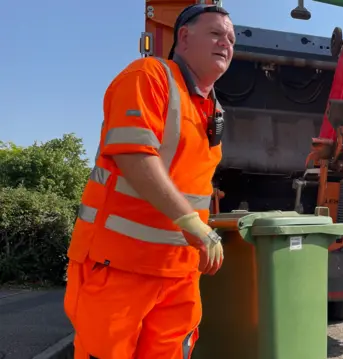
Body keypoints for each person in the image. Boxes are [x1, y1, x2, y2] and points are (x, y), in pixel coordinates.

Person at [63, 4, 235, 358]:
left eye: (231, 40)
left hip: (179, 272)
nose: (226, 44)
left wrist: (199, 235)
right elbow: (133, 154)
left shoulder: (212, 110)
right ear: (184, 38)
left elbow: (194, 187)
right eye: (216, 34)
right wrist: (192, 224)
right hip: (119, 266)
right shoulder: (148, 76)